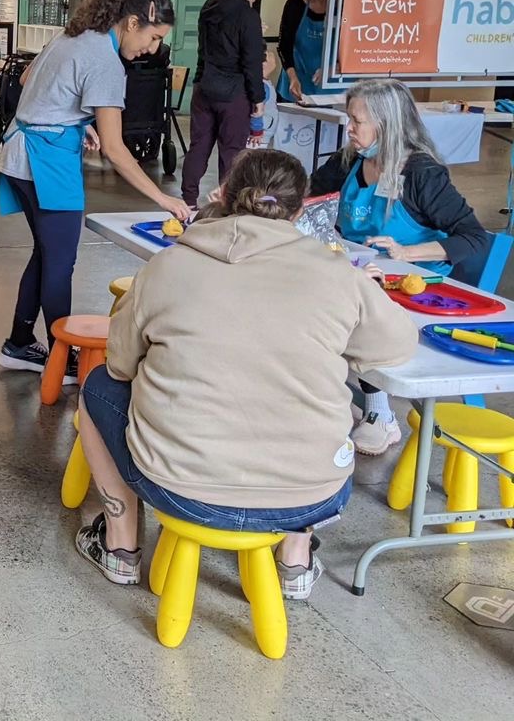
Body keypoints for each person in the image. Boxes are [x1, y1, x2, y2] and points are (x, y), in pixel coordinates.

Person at [75, 149, 417, 599]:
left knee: (98, 386)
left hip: (181, 490)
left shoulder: (169, 265)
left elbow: (120, 364)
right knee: (314, 414)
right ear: (300, 208)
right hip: (311, 495)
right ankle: (295, 561)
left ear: (229, 196)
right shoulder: (337, 274)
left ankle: (120, 547)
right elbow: (395, 346)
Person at [0, 0, 191, 377]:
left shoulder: (75, 34)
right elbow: (117, 151)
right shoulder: (105, 60)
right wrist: (165, 198)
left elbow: (27, 80)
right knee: (59, 264)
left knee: (47, 254)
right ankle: (61, 357)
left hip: (20, 151)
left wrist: (75, 120)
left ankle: (19, 343)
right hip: (46, 164)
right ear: (132, 22)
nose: (152, 49)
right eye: (153, 37)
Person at [311, 78, 491, 454]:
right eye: (350, 119)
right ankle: (326, 394)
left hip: (411, 288)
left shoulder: (422, 174)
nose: (351, 129)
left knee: (361, 308)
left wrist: (408, 254)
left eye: (358, 121)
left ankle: (380, 413)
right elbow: (303, 194)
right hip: (361, 274)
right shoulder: (349, 162)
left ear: (387, 123)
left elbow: (473, 238)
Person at [180, 0, 266, 207]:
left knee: (198, 146)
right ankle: (228, 203)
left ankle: (188, 202)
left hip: (204, 86)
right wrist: (258, 100)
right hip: (233, 93)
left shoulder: (210, 5)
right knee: (231, 152)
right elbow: (251, 63)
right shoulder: (247, 15)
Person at [277, 0, 331, 102]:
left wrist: (331, 69)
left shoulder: (342, 8)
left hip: (329, 89)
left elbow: (350, 51)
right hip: (295, 83)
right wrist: (293, 78)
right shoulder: (295, 4)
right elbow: (283, 46)